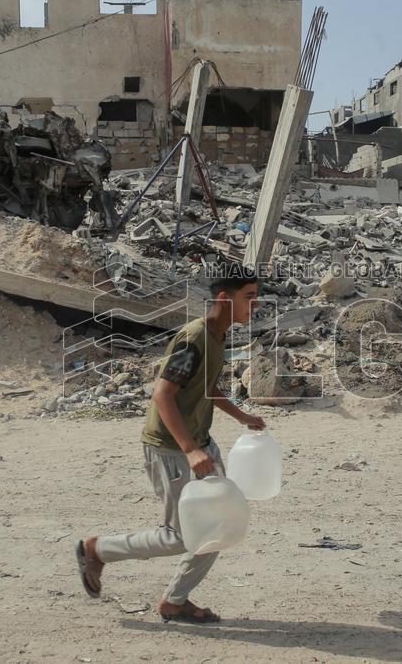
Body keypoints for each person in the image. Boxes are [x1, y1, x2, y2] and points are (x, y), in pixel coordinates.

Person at [76, 266, 266, 624]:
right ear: (225, 299)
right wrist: (190, 450)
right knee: (180, 536)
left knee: (219, 523)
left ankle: (176, 601)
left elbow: (207, 387)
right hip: (170, 447)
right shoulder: (193, 338)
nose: (254, 305)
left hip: (199, 443)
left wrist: (241, 416)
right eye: (249, 297)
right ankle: (96, 550)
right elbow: (163, 395)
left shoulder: (218, 334)